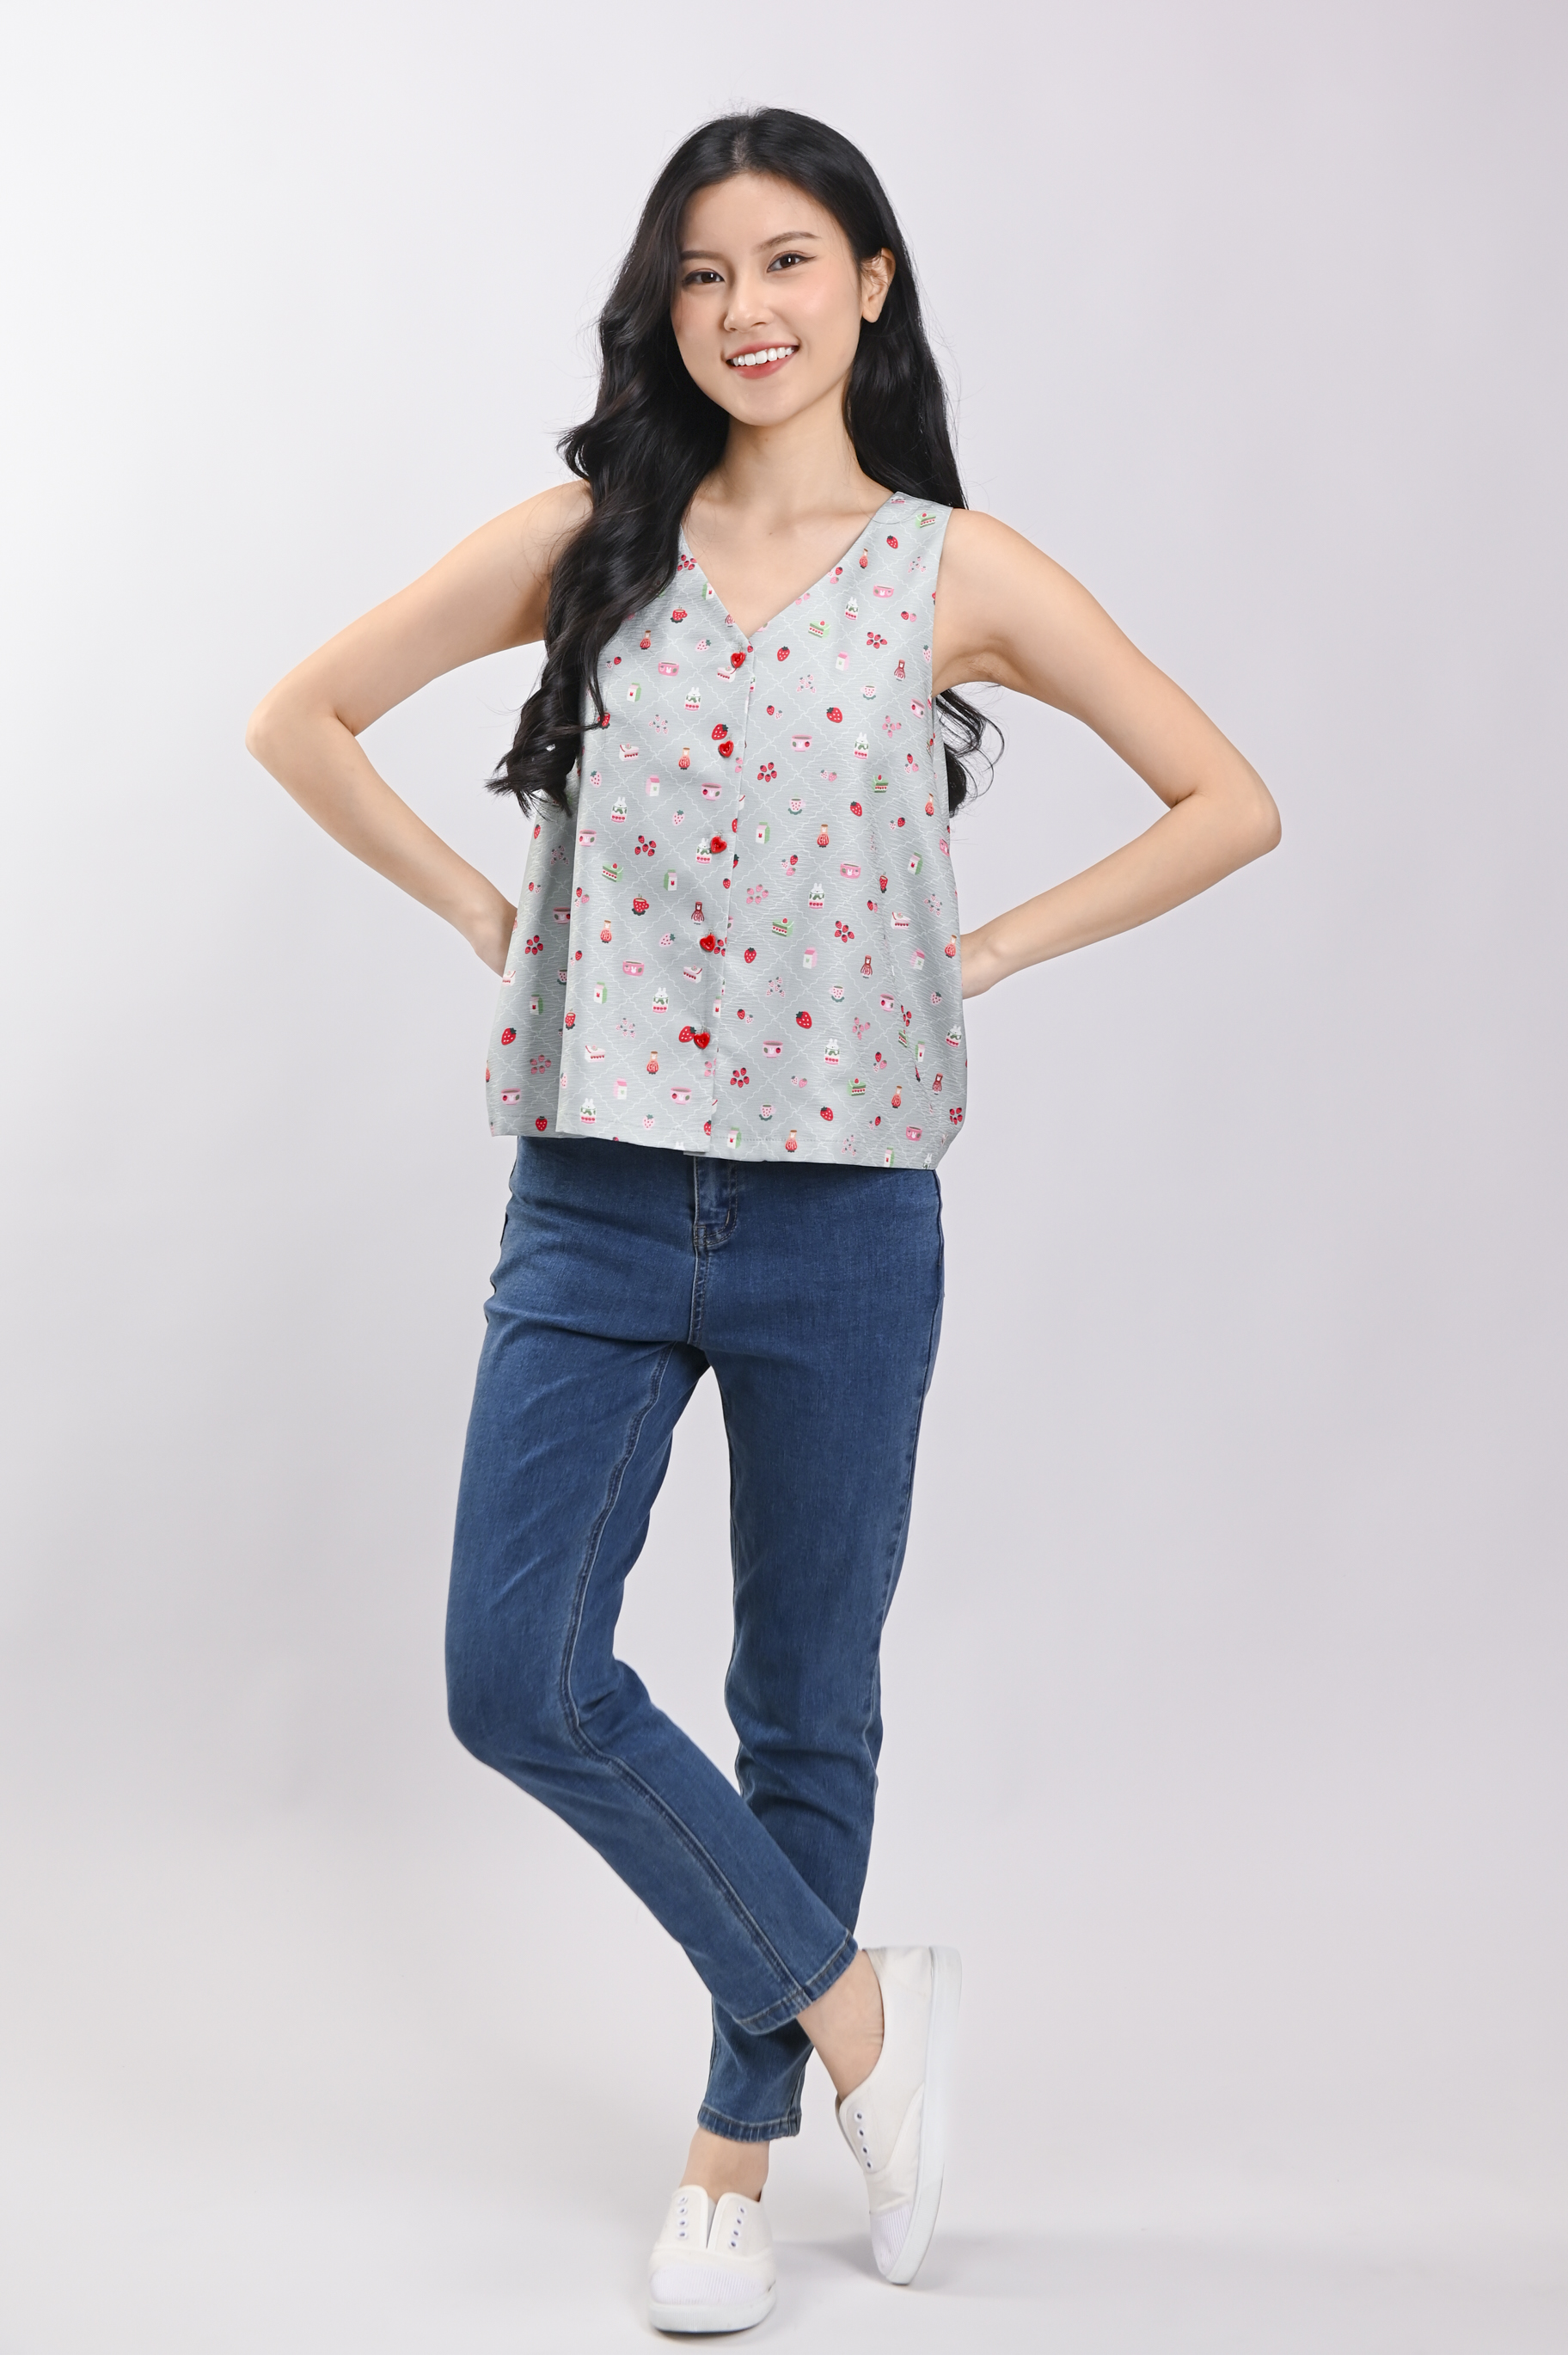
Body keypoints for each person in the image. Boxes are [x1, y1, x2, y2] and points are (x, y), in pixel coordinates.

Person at [246, 106, 1279, 2337]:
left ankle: (735, 2153)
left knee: (805, 1696)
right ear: (667, 306)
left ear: (871, 286)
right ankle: (864, 2011)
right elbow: (300, 716)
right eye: (705, 273)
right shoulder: (588, 541)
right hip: (595, 1191)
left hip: (847, 1207)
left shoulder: (954, 570)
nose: (747, 310)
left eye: (790, 261)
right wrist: (484, 917)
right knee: (517, 1675)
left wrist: (981, 953)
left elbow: (1229, 799)